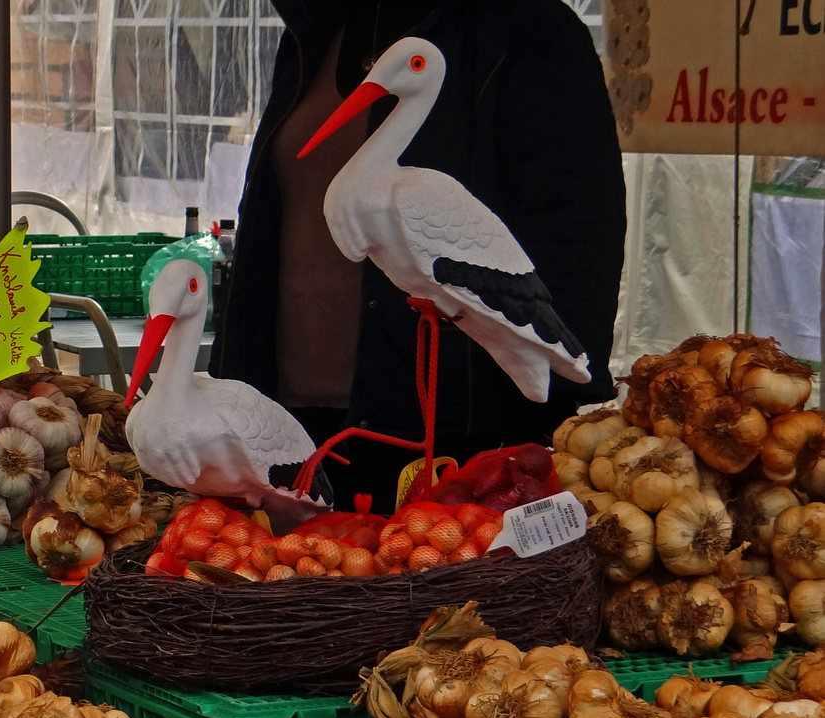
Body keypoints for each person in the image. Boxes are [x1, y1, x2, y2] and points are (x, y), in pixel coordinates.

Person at [211, 0, 626, 511]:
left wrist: (553, 416)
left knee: (427, 582)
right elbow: (269, 219)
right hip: (290, 418)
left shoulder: (524, 30)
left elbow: (580, 229)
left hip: (450, 428)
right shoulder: (314, 32)